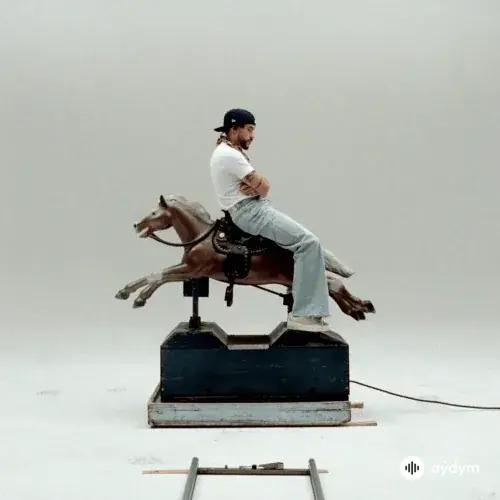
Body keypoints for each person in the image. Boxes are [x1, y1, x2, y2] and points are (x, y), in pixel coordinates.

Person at [209, 108, 331, 332]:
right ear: (234, 129)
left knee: (307, 242)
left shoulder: (226, 151)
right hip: (251, 212)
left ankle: (312, 297)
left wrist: (257, 186)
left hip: (252, 208)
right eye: (249, 129)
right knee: (308, 243)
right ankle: (303, 315)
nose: (252, 136)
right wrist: (258, 186)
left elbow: (261, 188)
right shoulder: (230, 155)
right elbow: (265, 187)